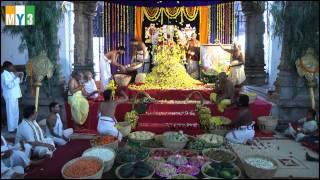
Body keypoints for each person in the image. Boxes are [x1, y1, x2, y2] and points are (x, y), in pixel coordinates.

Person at [1, 61, 23, 133]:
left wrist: (20, 76)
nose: (13, 68)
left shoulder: (10, 73)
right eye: (11, 66)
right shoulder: (4, 74)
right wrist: (16, 78)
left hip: (14, 95)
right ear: (7, 67)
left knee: (15, 112)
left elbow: (18, 82)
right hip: (10, 96)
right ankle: (11, 129)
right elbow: (10, 85)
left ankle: (15, 127)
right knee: (10, 113)